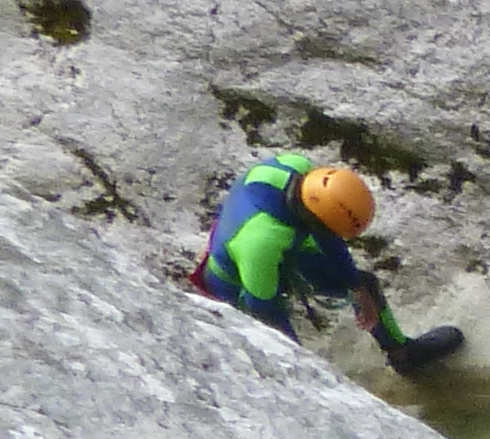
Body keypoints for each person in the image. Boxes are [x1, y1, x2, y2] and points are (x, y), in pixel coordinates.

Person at [191, 150, 462, 373]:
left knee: (365, 284)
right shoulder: (261, 241)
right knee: (284, 347)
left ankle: (404, 355)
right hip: (234, 283)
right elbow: (263, 309)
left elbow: (327, 236)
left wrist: (356, 286)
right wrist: (309, 371)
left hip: (285, 243)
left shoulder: (298, 170)